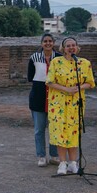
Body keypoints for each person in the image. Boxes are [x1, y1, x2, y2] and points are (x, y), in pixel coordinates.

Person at [46, 37, 95, 175]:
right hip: (59, 102)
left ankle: (73, 163)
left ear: (77, 47)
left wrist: (79, 87)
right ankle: (62, 163)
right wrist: (65, 89)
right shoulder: (56, 62)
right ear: (63, 48)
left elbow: (90, 82)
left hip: (76, 103)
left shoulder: (84, 63)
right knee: (60, 131)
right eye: (68, 46)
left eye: (73, 45)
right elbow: (49, 81)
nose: (71, 48)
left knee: (73, 132)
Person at [28, 33, 61, 167]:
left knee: (54, 128)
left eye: (50, 41)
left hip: (56, 97)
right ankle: (41, 156)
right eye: (45, 41)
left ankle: (54, 155)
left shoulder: (59, 58)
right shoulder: (34, 57)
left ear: (53, 43)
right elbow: (30, 76)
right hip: (38, 96)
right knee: (39, 130)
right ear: (41, 43)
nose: (48, 43)